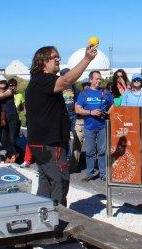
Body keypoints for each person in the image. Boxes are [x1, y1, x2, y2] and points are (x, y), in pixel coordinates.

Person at [26, 44, 97, 205]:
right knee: (60, 179)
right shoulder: (44, 80)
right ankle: (57, 218)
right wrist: (87, 59)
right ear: (44, 61)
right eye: (55, 57)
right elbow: (67, 80)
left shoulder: (37, 81)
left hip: (42, 142)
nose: (58, 60)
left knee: (46, 180)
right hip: (49, 143)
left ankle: (42, 217)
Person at [75, 70, 113, 182]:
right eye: (97, 79)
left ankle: (103, 173)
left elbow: (113, 105)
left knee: (102, 151)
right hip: (89, 126)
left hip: (102, 126)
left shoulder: (105, 93)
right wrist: (91, 112)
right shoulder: (83, 94)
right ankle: (90, 173)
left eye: (100, 79)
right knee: (90, 151)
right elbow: (77, 109)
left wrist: (108, 113)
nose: (99, 81)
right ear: (91, 80)